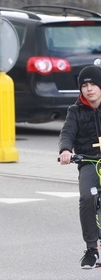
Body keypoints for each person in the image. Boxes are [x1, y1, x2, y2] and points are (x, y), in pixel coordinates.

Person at [59, 65, 101, 269]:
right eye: (85, 85)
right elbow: (67, 132)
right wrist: (65, 150)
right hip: (89, 161)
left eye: (93, 84)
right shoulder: (75, 111)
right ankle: (92, 249)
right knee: (86, 197)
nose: (89, 88)